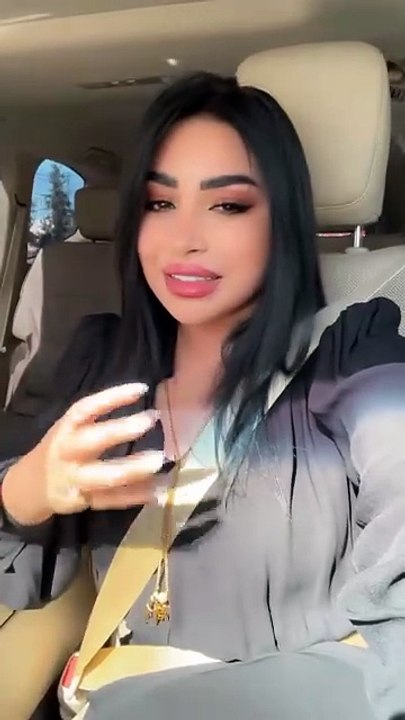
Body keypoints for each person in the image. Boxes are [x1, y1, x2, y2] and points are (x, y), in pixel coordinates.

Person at [1, 72, 404, 720]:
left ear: (281, 221)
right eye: (159, 204)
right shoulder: (100, 361)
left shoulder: (352, 361)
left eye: (228, 205)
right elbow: (23, 577)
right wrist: (28, 490)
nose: (183, 237)